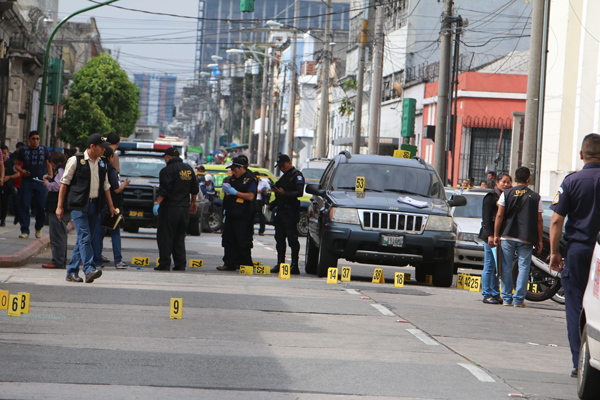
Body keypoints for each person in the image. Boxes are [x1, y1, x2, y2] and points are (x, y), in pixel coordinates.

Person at [549, 133, 600, 378]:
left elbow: (557, 220)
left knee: (575, 306)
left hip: (578, 251)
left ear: (582, 154)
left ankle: (578, 362)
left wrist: (554, 251)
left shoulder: (571, 182)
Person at [57, 133, 117, 283]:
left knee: (83, 240)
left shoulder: (102, 163)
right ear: (92, 147)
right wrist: (59, 206)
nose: (104, 150)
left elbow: (106, 186)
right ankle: (89, 269)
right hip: (79, 206)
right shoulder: (76, 160)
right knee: (85, 237)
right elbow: (64, 183)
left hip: (95, 206)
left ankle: (71, 272)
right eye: (101, 147)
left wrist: (111, 207)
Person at [493, 166, 543, 307]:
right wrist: (539, 239)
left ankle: (507, 299)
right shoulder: (535, 197)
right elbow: (539, 220)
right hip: (526, 237)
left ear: (515, 179)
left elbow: (499, 215)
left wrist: (496, 234)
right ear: (529, 179)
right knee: (524, 267)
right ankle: (519, 300)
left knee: (506, 267)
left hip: (507, 235)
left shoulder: (506, 193)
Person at [153, 147, 199, 271]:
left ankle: (164, 264)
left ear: (168, 157)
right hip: (184, 209)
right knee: (179, 237)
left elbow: (164, 190)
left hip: (170, 209)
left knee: (166, 236)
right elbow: (195, 188)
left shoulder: (167, 170)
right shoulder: (189, 169)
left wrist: (157, 203)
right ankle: (180, 264)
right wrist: (193, 202)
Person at [92, 146, 130, 269]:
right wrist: (124, 184)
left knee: (98, 233)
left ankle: (97, 261)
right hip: (111, 206)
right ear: (110, 157)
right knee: (115, 233)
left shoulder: (97, 167)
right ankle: (118, 261)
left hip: (98, 204)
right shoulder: (111, 170)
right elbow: (116, 189)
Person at [217, 156, 257, 271]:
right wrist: (227, 192)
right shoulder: (233, 179)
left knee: (243, 240)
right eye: (232, 170)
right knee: (228, 239)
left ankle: (246, 264)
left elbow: (250, 196)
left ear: (241, 167)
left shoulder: (250, 179)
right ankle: (229, 263)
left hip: (243, 215)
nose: (233, 172)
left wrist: (235, 192)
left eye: (235, 170)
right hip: (231, 213)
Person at [478, 173, 512, 304]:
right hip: (490, 236)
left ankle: (496, 293)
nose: (506, 184)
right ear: (497, 182)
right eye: (503, 182)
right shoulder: (491, 197)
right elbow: (486, 219)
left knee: (497, 266)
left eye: (508, 182)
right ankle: (487, 294)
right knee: (489, 265)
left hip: (501, 236)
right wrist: (490, 235)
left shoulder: (506, 197)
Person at [269, 154, 305, 274]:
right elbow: (279, 194)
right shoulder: (283, 177)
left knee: (292, 240)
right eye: (279, 167)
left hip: (290, 213)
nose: (282, 169)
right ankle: (280, 264)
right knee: (279, 239)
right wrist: (271, 205)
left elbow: (299, 193)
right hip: (280, 212)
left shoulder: (297, 176)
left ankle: (294, 265)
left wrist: (285, 193)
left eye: (283, 166)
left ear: (289, 163)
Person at [15, 131, 48, 239]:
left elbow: (48, 164)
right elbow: (17, 164)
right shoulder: (23, 150)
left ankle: (38, 227)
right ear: (29, 139)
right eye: (33, 138)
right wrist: (21, 170)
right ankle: (25, 230)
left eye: (37, 138)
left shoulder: (44, 149)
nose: (35, 141)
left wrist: (50, 179)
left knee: (42, 206)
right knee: (24, 205)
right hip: (27, 181)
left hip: (40, 181)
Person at [42, 151, 71, 269]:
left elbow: (59, 185)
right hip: (66, 205)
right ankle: (60, 260)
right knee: (61, 234)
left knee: (57, 235)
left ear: (58, 163)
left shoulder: (61, 168)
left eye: (53, 166)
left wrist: (47, 185)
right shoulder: (68, 167)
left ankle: (57, 261)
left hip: (58, 206)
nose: (53, 168)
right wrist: (51, 178)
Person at [0, 146, 19, 227]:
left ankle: (3, 219)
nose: (3, 155)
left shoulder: (11, 162)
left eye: (5, 153)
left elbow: (17, 173)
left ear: (8, 153)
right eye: (2, 153)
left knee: (5, 204)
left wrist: (9, 177)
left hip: (8, 186)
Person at [9, 142, 24, 226]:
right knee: (15, 202)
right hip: (15, 184)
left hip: (24, 183)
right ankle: (17, 216)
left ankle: (21, 218)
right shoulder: (13, 157)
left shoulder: (26, 158)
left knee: (24, 203)